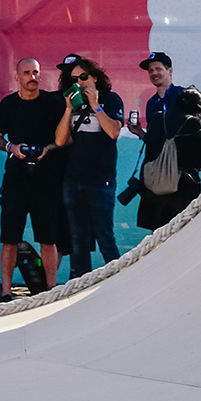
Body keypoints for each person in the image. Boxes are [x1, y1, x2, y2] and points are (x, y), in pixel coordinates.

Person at [0, 56, 69, 300]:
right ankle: (6, 293)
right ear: (17, 77)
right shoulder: (8, 104)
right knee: (10, 238)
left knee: (48, 238)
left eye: (35, 73)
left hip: (46, 180)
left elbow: (63, 139)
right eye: (27, 73)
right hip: (16, 181)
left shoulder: (53, 103)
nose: (32, 78)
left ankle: (52, 289)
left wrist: (48, 149)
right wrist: (12, 147)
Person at [54, 55, 125, 283]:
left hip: (100, 179)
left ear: (95, 76)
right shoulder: (70, 103)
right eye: (73, 79)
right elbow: (60, 141)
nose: (79, 83)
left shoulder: (111, 99)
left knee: (105, 236)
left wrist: (96, 106)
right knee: (78, 240)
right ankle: (81, 287)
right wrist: (67, 109)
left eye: (83, 77)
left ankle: (118, 281)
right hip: (73, 179)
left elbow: (114, 131)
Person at [125, 53, 201, 229]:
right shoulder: (151, 102)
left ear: (170, 70)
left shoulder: (185, 95)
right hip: (157, 180)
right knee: (158, 230)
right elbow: (155, 142)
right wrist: (140, 133)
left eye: (158, 69)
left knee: (183, 228)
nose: (154, 73)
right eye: (150, 70)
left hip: (182, 179)